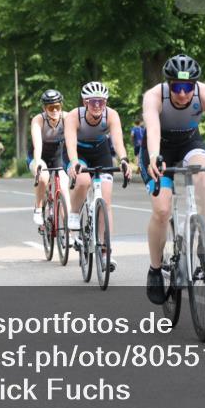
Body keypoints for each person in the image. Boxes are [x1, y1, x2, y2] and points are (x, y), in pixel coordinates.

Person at [141, 54, 205, 304]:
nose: (183, 94)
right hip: (159, 147)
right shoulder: (154, 96)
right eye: (177, 87)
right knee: (162, 210)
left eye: (188, 87)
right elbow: (152, 129)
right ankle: (155, 269)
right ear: (169, 84)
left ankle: (201, 242)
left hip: (189, 142)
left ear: (195, 85)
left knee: (203, 177)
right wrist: (154, 157)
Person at [64, 82, 132, 272]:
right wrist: (74, 162)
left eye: (101, 102)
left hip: (101, 152)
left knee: (106, 199)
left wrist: (124, 160)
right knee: (83, 181)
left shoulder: (111, 115)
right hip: (78, 153)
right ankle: (74, 213)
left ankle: (104, 250)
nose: (97, 106)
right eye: (92, 101)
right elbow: (70, 143)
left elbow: (117, 141)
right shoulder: (74, 116)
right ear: (85, 102)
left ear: (105, 102)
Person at [29, 89, 70, 234]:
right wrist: (38, 163)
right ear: (44, 108)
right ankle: (39, 208)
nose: (54, 110)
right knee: (43, 177)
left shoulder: (67, 118)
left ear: (61, 106)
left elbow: (73, 141)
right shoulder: (38, 120)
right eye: (50, 108)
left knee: (64, 188)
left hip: (58, 155)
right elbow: (37, 146)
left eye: (57, 107)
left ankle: (69, 233)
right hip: (39, 155)